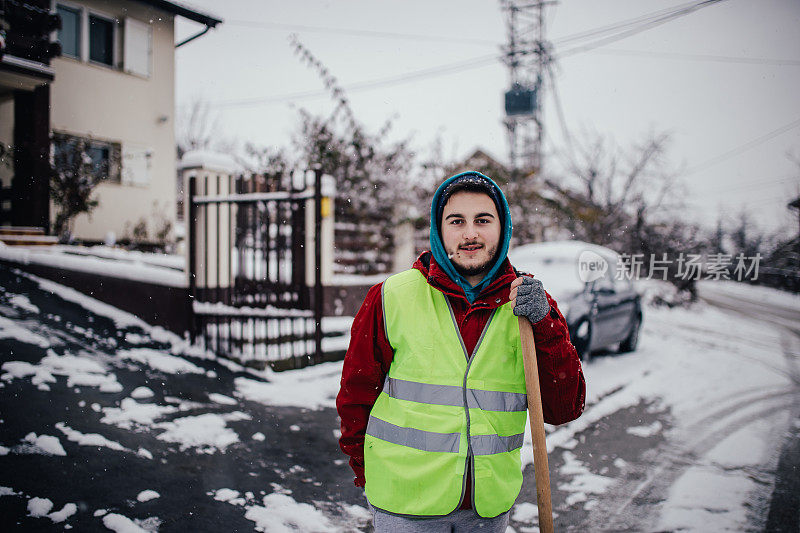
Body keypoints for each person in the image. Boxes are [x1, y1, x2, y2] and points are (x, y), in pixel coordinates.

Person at [336, 171, 586, 532]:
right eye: (457, 221)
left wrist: (546, 325)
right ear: (440, 230)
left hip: (487, 510)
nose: (470, 233)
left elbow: (565, 408)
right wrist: (368, 473)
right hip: (405, 506)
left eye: (483, 220)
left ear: (503, 228)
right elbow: (355, 397)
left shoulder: (529, 304)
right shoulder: (391, 296)